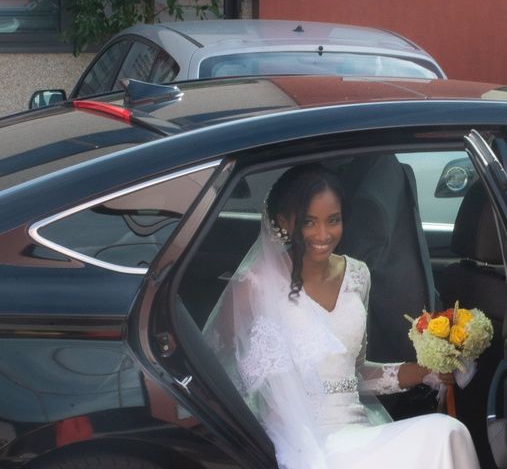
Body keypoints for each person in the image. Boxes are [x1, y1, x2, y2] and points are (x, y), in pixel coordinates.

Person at [203, 163, 480, 469]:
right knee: (446, 432)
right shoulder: (255, 284)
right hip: (302, 444)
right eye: (309, 222)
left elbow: (356, 372)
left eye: (333, 220)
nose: (323, 234)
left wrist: (425, 370)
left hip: (359, 431)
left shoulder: (358, 275)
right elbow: (212, 362)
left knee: (447, 432)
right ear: (283, 222)